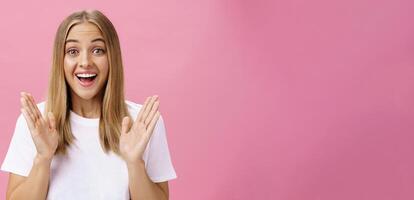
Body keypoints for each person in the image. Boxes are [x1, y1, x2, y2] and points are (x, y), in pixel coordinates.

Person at [1, 10, 177, 200]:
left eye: (98, 50)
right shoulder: (36, 124)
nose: (85, 62)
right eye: (73, 51)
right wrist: (43, 159)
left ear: (112, 58)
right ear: (60, 60)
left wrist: (135, 163)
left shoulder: (143, 124)